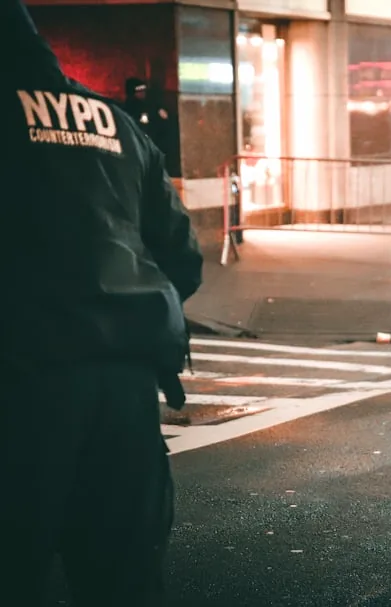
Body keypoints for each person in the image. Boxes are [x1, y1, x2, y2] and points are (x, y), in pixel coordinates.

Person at [0, 1, 204, 605]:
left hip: (21, 388)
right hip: (127, 391)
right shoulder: (112, 122)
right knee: (124, 580)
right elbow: (182, 257)